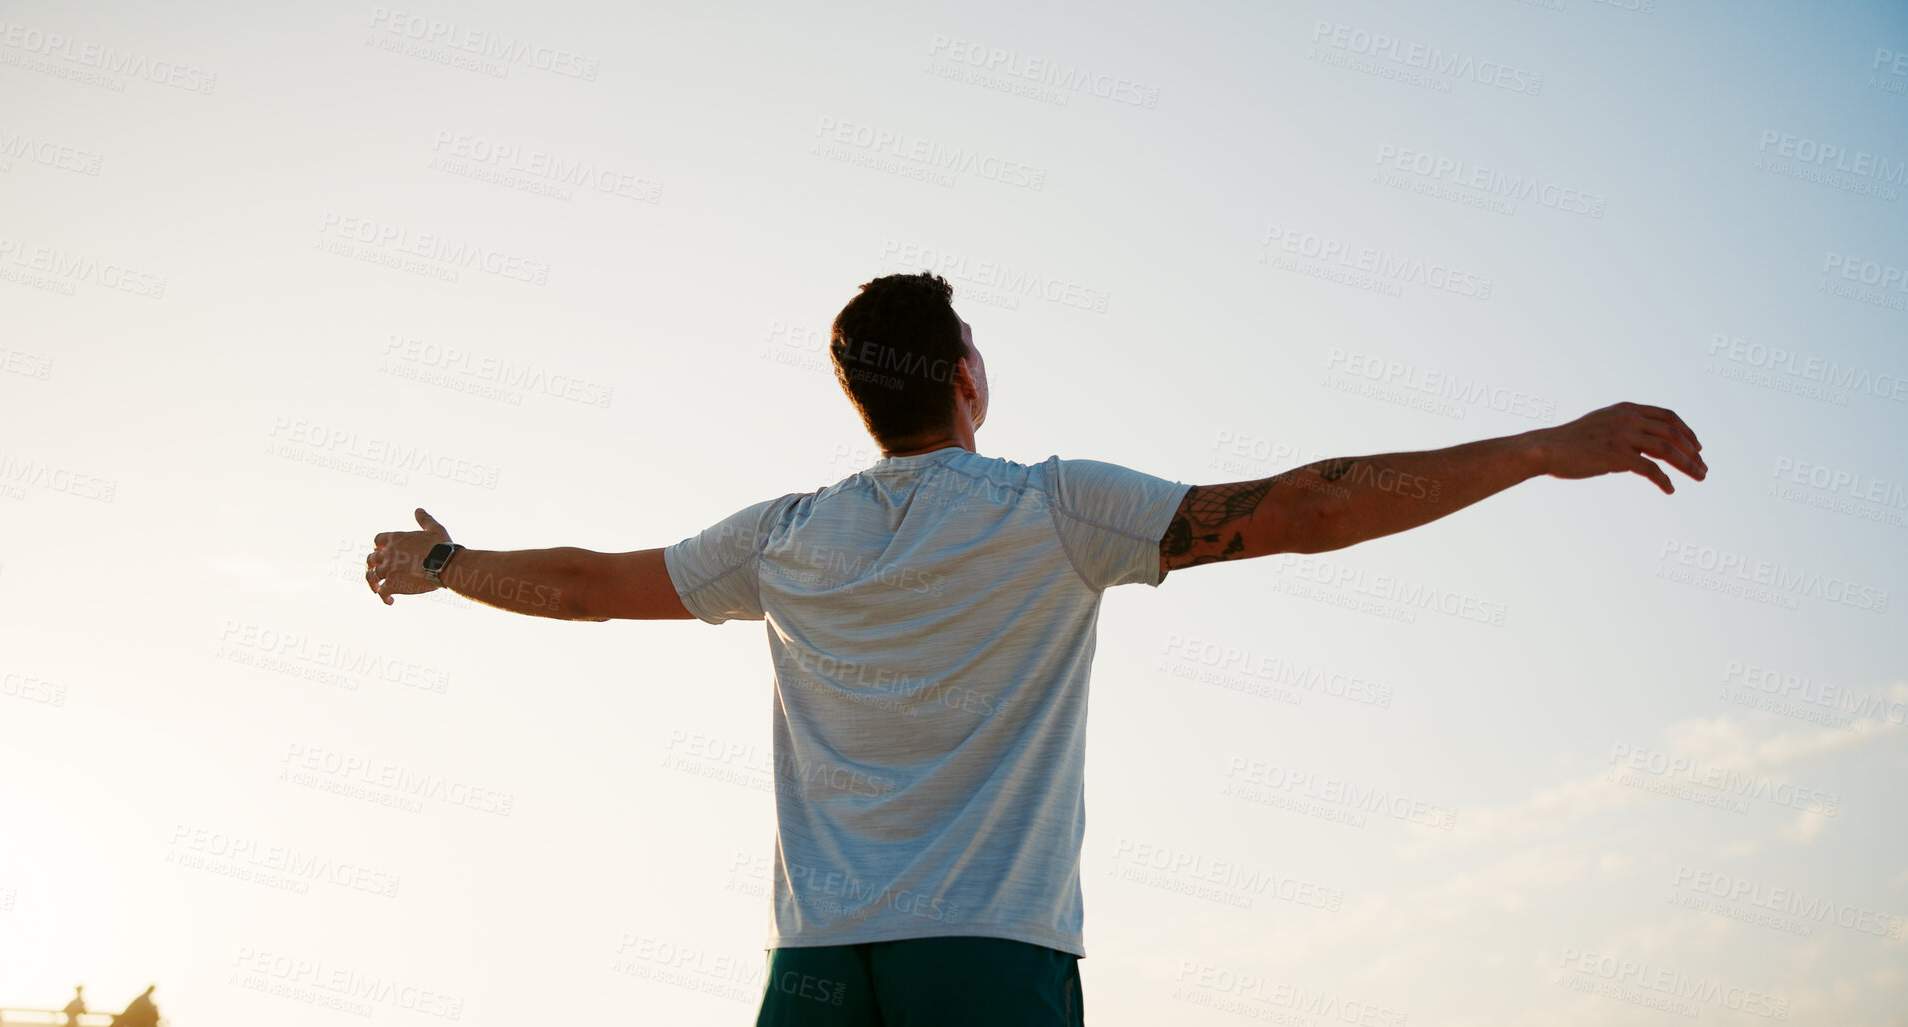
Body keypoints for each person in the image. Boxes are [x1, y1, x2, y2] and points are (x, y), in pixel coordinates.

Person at [366, 271, 1705, 1025]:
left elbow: (595, 588)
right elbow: (1306, 510)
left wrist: (441, 565)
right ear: (963, 376)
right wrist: (1537, 448)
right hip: (991, 966)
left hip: (816, 974)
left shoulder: (782, 541)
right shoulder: (1054, 511)